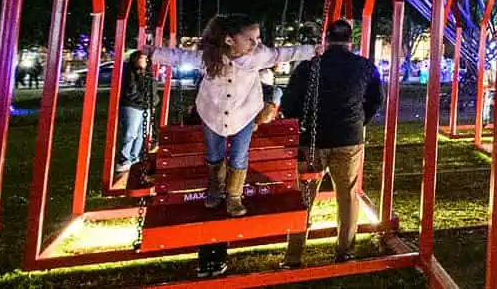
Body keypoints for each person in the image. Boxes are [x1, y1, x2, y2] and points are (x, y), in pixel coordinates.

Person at [153, 15, 312, 280]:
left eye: (258, 38)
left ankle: (234, 196)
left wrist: (310, 50)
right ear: (229, 40)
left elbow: (281, 53)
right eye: (250, 39)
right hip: (213, 113)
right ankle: (215, 188)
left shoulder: (257, 57)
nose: (256, 43)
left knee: (239, 156)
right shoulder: (209, 57)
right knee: (214, 154)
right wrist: (154, 53)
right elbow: (180, 57)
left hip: (244, 114)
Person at [280, 20, 381, 267]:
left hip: (313, 140)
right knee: (347, 195)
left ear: (326, 40)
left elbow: (289, 103)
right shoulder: (365, 67)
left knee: (304, 198)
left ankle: (294, 255)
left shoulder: (309, 67)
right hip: (348, 137)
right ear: (350, 42)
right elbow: (376, 99)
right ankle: (345, 250)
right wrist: (360, 121)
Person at [116, 50, 158, 184]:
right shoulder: (129, 73)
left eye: (146, 59)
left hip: (144, 107)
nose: (144, 61)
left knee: (141, 134)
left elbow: (154, 92)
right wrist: (146, 101)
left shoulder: (149, 74)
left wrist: (152, 102)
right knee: (130, 134)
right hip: (132, 106)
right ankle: (124, 159)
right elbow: (130, 92)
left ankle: (134, 158)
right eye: (141, 58)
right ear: (134, 60)